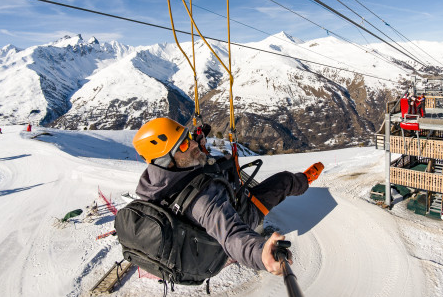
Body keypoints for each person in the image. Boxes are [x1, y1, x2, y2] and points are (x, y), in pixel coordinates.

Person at [132, 118, 324, 276]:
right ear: (167, 159)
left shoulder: (152, 185)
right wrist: (261, 253)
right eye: (183, 144)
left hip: (200, 231)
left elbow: (189, 155)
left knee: (217, 162)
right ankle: (303, 180)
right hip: (240, 212)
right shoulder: (203, 201)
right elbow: (232, 234)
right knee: (283, 181)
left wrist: (195, 142)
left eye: (188, 137)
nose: (191, 144)